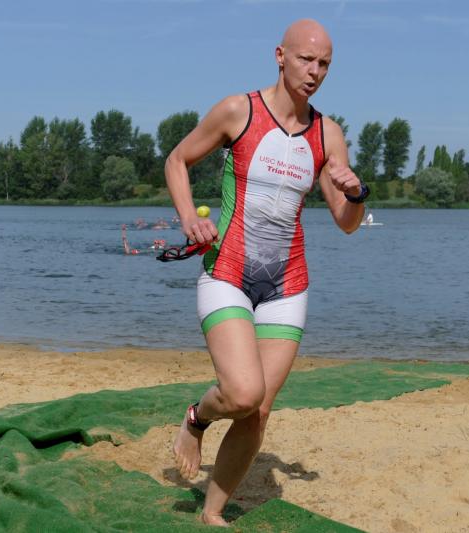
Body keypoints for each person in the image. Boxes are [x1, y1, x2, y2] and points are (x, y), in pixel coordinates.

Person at [164, 19, 366, 526]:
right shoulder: (240, 111)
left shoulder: (328, 134)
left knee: (259, 410)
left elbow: (346, 222)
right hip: (228, 271)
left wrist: (357, 192)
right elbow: (177, 160)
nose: (314, 72)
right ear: (280, 56)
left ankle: (213, 511)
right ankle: (197, 417)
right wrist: (189, 219)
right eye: (305, 59)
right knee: (241, 393)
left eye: (324, 64)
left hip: (286, 283)